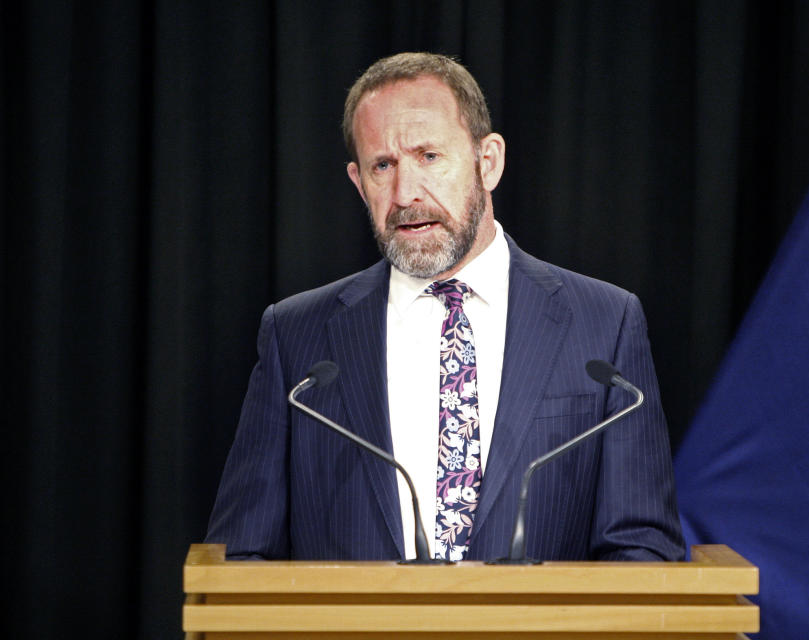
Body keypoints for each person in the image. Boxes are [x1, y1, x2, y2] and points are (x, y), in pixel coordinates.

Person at [205, 52, 685, 562]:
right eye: (382, 166)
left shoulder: (605, 324)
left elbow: (643, 548)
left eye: (429, 156)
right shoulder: (296, 337)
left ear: (488, 162)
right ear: (357, 181)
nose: (406, 192)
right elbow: (240, 558)